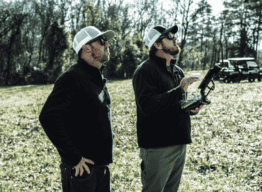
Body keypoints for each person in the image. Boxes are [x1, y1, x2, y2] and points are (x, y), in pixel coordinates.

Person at [39, 26, 115, 192]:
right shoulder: (72, 77)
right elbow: (48, 117)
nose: (107, 45)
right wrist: (74, 158)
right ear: (86, 47)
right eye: (102, 41)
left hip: (101, 168)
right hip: (82, 172)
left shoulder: (96, 77)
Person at [132, 25, 205, 192]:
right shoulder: (145, 70)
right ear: (157, 44)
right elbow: (148, 106)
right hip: (158, 147)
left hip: (180, 143)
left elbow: (175, 104)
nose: (175, 38)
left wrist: (190, 108)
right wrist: (180, 90)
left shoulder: (177, 71)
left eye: (174, 35)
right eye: (169, 36)